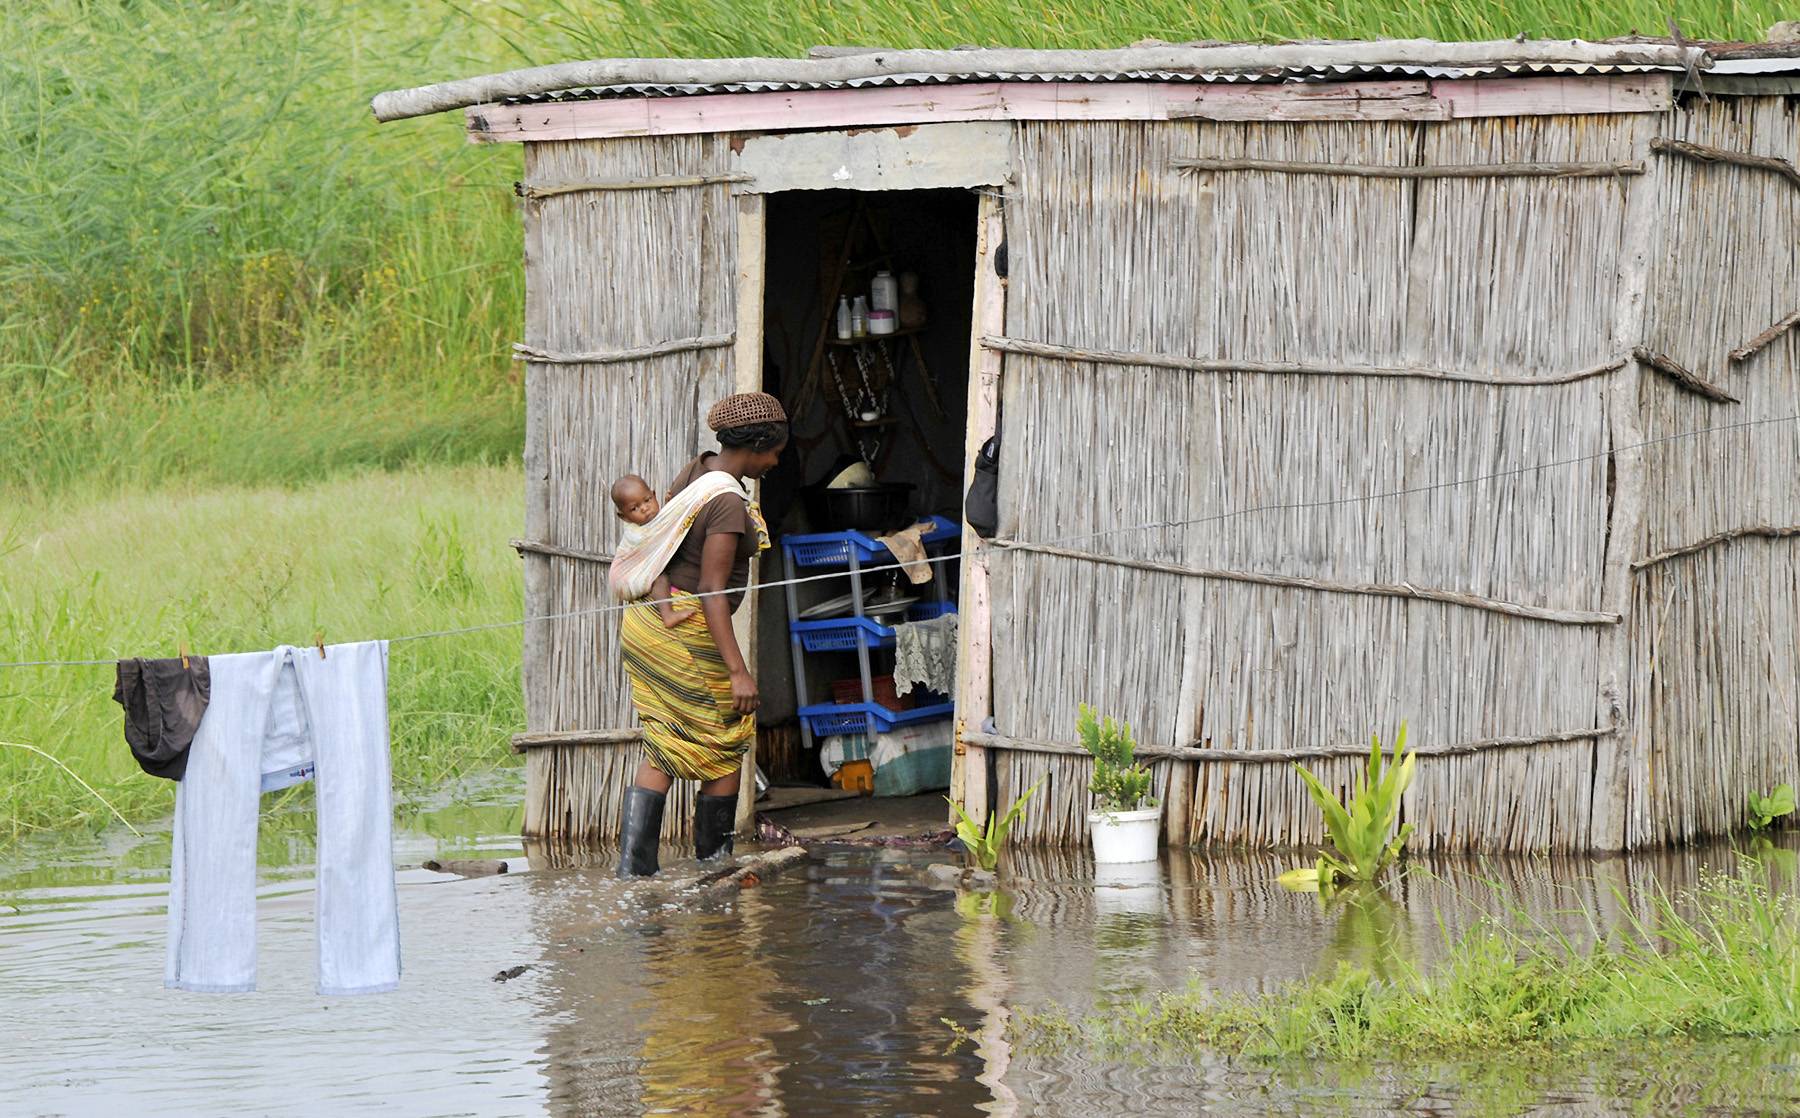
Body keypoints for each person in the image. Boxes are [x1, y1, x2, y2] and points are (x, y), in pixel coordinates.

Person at [615, 392, 788, 877]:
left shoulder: (697, 471)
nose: (775, 460)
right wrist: (739, 672)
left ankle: (635, 875)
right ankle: (715, 869)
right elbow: (713, 590)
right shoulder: (727, 500)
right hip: (684, 626)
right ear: (755, 446)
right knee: (727, 737)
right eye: (774, 451)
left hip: (649, 622)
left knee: (665, 738)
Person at [609, 474, 696, 629]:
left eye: (647, 500)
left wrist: (669, 506)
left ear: (654, 495)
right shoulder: (636, 534)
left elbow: (664, 523)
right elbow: (664, 532)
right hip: (623, 577)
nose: (644, 508)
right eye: (634, 508)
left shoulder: (652, 522)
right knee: (659, 578)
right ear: (624, 517)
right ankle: (668, 615)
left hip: (625, 577)